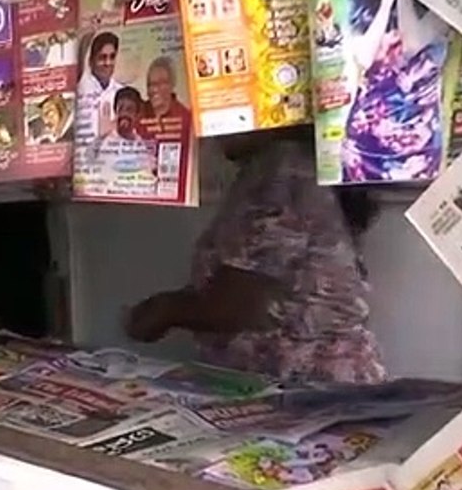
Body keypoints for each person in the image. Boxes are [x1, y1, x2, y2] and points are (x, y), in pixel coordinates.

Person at [124, 128, 387, 384]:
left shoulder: (283, 167)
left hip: (305, 385)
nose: (214, 129)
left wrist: (167, 310)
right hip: (303, 379)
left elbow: (245, 303)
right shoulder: (284, 164)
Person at [342, 0, 447, 182]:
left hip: (418, 139)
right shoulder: (363, 17)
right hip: (363, 144)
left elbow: (412, 43)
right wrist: (386, 1)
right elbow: (364, 58)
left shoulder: (437, 3)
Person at [78, 32, 130, 137]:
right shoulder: (80, 88)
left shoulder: (122, 93)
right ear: (91, 61)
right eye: (102, 57)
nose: (108, 63)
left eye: (112, 57)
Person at [141, 56, 193, 140]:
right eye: (151, 84)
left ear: (171, 84)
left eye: (160, 83)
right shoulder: (139, 114)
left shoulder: (185, 118)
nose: (154, 89)